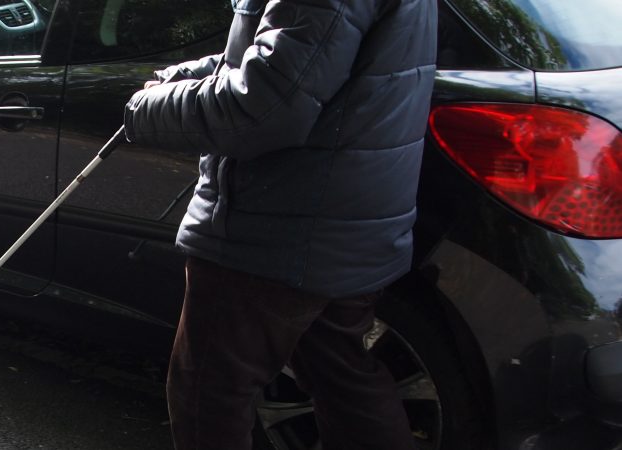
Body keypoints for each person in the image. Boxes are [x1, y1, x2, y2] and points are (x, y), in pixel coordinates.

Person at [122, 0, 437, 448]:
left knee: (207, 392)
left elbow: (266, 105)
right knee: (341, 377)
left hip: (276, 229)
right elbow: (291, 59)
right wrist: (181, 77)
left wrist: (144, 109)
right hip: (341, 222)